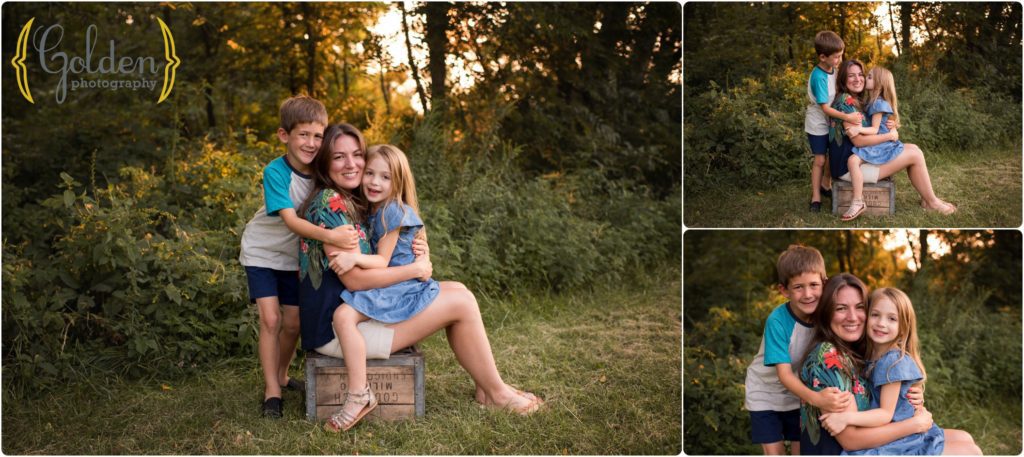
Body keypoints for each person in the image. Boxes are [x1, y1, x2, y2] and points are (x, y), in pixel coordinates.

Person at [297, 124, 543, 433]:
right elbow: (357, 282)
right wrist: (415, 269)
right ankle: (497, 393)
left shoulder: (353, 201)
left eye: (357, 155)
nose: (352, 165)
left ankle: (488, 386)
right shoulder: (330, 205)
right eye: (339, 157)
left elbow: (382, 253)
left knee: (458, 290)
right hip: (338, 329)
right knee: (462, 302)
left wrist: (417, 254)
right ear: (324, 161)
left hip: (352, 315)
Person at [238, 96, 359, 419]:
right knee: (271, 320)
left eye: (318, 136)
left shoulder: (322, 171)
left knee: (293, 322)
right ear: (284, 135)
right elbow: (291, 222)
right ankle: (271, 392)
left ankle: (282, 373)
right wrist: (333, 237)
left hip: (293, 256)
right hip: (262, 252)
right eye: (303, 134)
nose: (311, 143)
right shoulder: (276, 172)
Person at [818, 288, 982, 455]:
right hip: (895, 433)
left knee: (967, 441)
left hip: (901, 433)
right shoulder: (870, 353)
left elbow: (885, 414)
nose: (882, 323)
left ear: (903, 328)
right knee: (970, 448)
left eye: (892, 319)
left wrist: (846, 418)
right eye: (875, 315)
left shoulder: (892, 361)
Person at [799, 273, 936, 455]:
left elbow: (888, 401)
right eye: (841, 308)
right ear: (826, 312)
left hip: (877, 443)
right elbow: (851, 441)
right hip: (843, 451)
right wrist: (914, 424)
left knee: (965, 440)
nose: (853, 317)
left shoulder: (863, 352)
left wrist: (906, 394)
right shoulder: (829, 357)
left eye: (860, 307)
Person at [744, 245, 852, 455]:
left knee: (801, 451)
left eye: (814, 285)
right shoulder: (778, 321)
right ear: (784, 290)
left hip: (800, 394)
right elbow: (783, 374)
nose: (808, 294)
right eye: (798, 287)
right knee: (775, 453)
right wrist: (817, 398)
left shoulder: (826, 317)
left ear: (825, 283)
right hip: (765, 393)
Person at [827, 60, 956, 220]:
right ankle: (932, 202)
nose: (858, 79)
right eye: (851, 75)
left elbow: (876, 125)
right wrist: (889, 136)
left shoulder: (859, 101)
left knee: (914, 149)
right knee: (914, 155)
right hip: (849, 167)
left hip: (861, 158)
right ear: (843, 79)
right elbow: (859, 142)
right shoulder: (845, 102)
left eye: (861, 74)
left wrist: (891, 126)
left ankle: (928, 199)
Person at [805, 31, 863, 213]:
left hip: (833, 120)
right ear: (823, 57)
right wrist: (848, 117)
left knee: (833, 154)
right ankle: (816, 197)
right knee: (821, 160)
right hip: (819, 123)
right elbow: (825, 108)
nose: (840, 59)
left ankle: (826, 184)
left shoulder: (834, 69)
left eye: (841, 55)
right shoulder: (819, 77)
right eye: (837, 57)